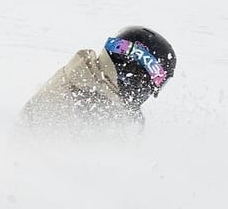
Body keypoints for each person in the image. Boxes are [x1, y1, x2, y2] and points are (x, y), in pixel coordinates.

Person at [19, 26, 176, 135]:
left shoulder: (83, 77)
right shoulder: (95, 104)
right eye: (157, 80)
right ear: (137, 72)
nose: (151, 92)